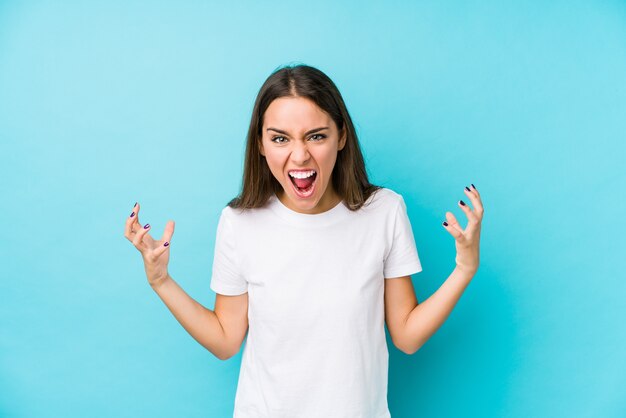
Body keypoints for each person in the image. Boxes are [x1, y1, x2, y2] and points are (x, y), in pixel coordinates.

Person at [124, 63, 484, 418]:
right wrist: (161, 281)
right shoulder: (239, 223)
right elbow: (225, 339)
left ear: (341, 136)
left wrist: (464, 269)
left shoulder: (384, 212)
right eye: (280, 138)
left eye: (316, 136)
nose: (299, 155)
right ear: (261, 145)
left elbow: (406, 335)